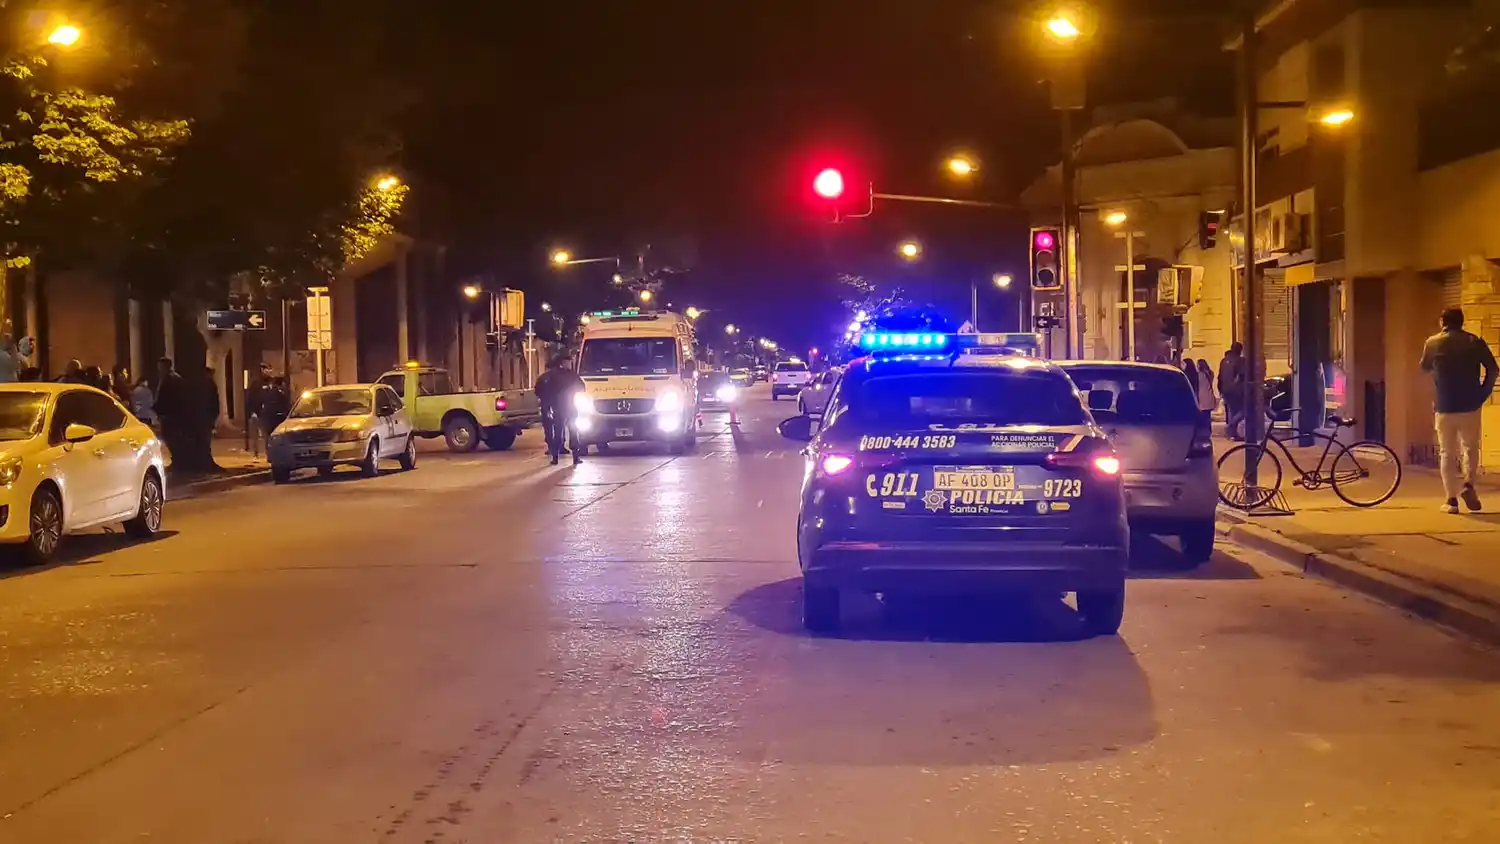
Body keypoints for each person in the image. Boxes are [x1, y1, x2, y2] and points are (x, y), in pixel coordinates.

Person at [1420, 307, 1498, 514]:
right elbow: (1493, 368)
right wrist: (1483, 392)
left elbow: (1425, 367)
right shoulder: (1474, 342)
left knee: (1446, 451)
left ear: (1442, 322)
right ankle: (1468, 485)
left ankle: (1451, 500)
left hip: (1444, 405)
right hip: (1470, 404)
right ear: (1462, 322)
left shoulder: (1432, 342)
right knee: (1470, 448)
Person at [535, 355, 585, 465]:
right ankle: (556, 457)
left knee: (572, 432)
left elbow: (582, 387)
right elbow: (547, 392)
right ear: (562, 363)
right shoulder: (559, 376)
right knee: (561, 433)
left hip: (567, 408)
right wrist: (549, 406)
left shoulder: (570, 375)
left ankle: (573, 457)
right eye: (567, 362)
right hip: (561, 408)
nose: (569, 364)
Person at [1218, 343, 1245, 440]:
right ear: (1240, 350)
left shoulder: (1224, 361)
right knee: (1244, 411)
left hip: (1226, 390)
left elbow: (1219, 377)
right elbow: (1241, 376)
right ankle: (1230, 429)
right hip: (1237, 390)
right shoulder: (1240, 361)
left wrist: (1221, 390)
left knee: (1231, 411)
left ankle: (1233, 434)